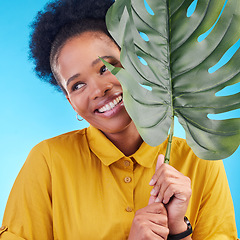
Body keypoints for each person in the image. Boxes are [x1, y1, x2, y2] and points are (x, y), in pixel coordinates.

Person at [0, 0, 238, 239]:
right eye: (78, 85)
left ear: (135, 61)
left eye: (106, 68)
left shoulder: (198, 161)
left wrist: (178, 228)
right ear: (70, 100)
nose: (98, 90)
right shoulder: (48, 161)